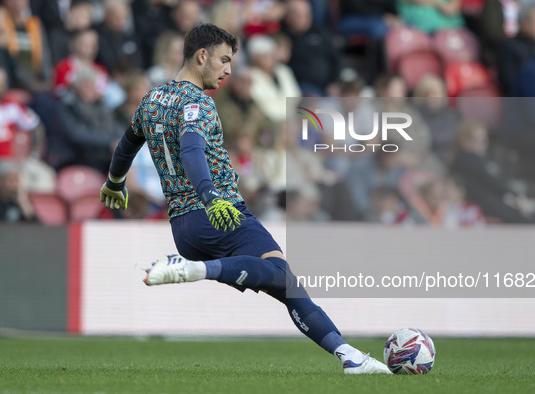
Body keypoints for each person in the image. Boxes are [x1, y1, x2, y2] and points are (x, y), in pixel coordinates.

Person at [99, 24, 390, 374]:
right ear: (201, 55)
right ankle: (195, 270)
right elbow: (192, 151)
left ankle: (349, 356)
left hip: (183, 226)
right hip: (219, 213)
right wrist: (210, 197)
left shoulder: (151, 100)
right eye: (223, 60)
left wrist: (115, 182)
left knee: (284, 282)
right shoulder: (198, 103)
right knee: (282, 274)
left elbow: (128, 143)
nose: (228, 70)